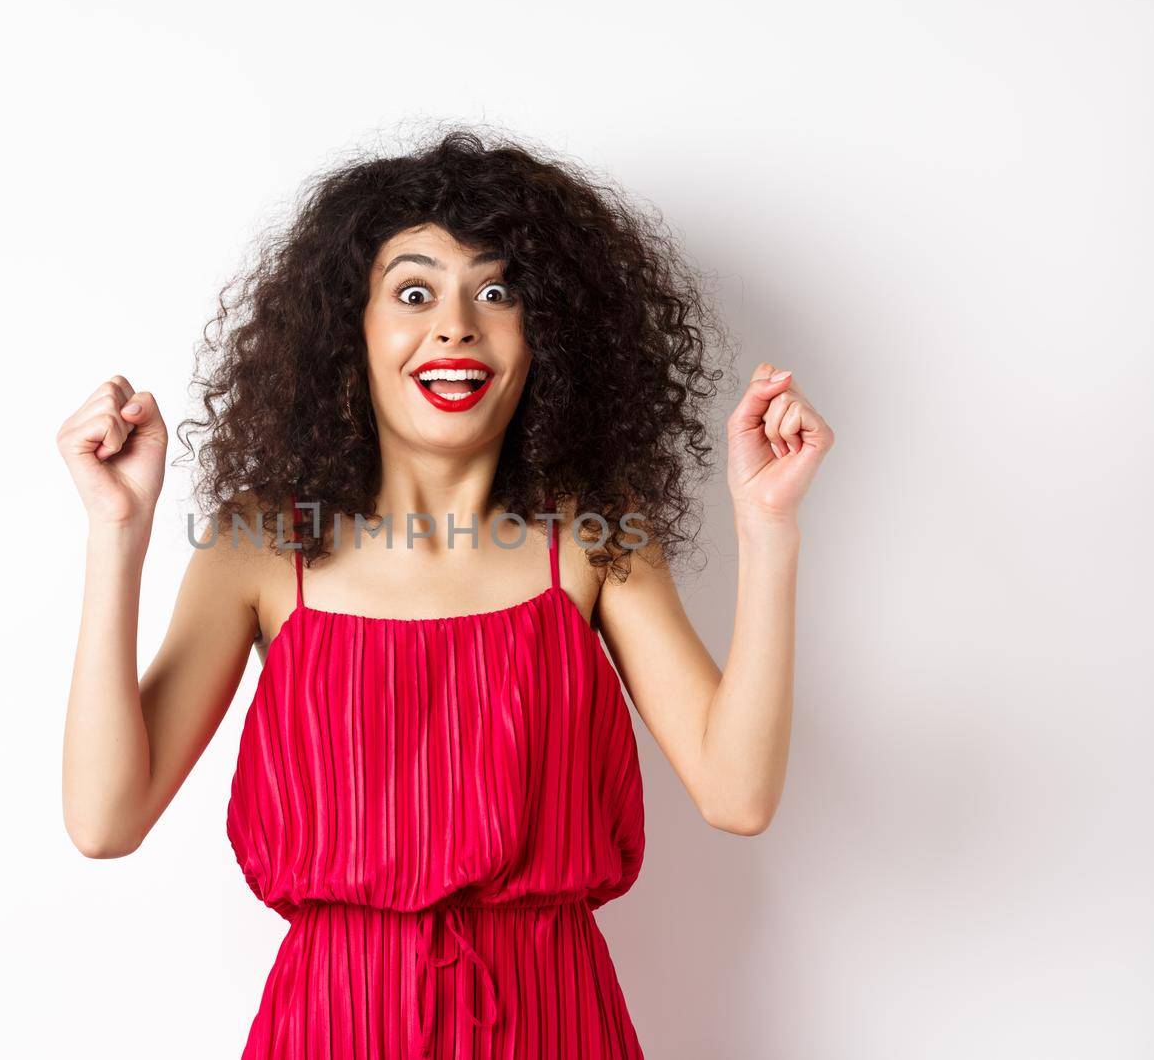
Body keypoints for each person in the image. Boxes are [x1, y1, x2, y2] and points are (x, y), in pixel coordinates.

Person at [54, 128, 834, 1058]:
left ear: (546, 331)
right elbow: (104, 820)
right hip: (334, 1027)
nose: (457, 324)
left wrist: (767, 527)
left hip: (556, 1028)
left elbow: (738, 794)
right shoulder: (261, 548)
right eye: (414, 292)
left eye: (497, 292)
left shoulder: (593, 536)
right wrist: (117, 533)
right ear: (353, 327)